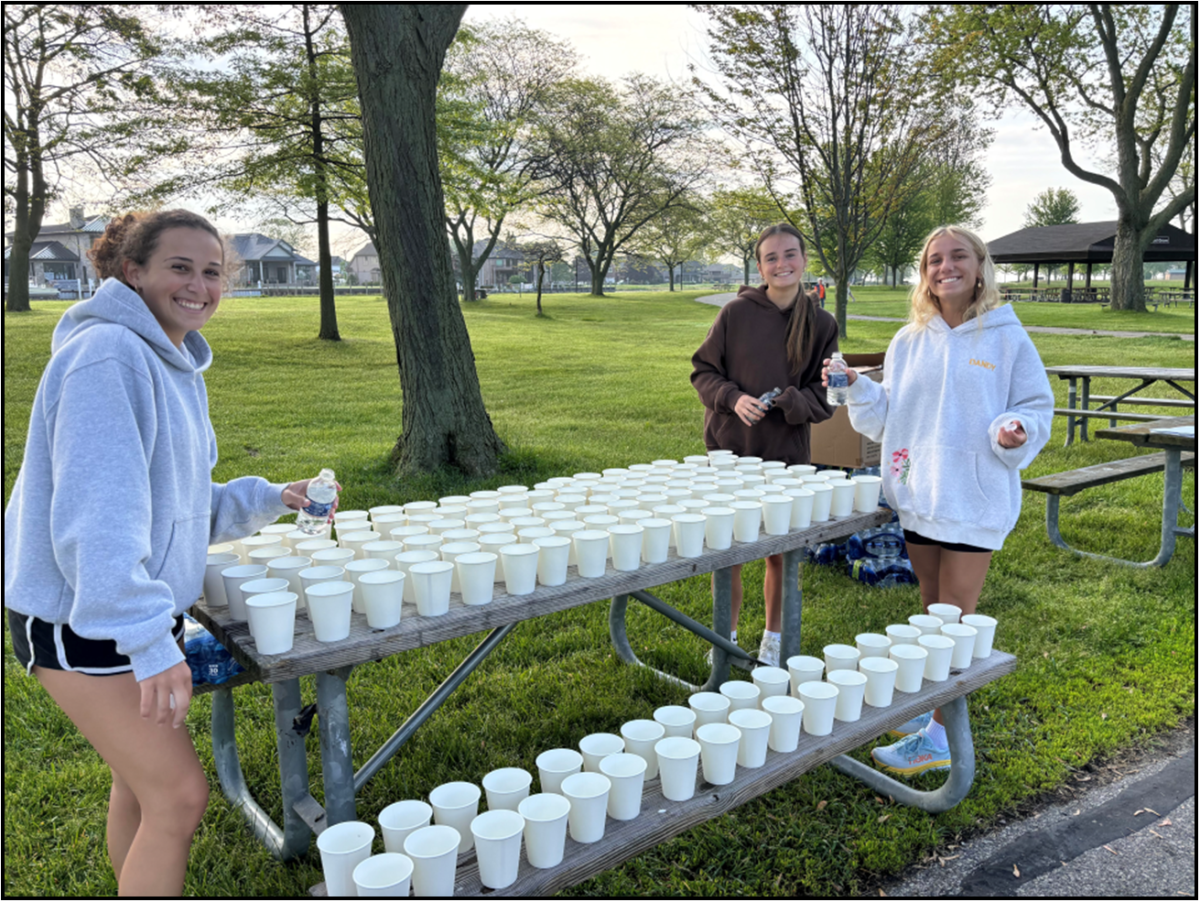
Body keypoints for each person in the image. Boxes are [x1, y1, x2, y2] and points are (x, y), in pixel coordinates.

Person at [4, 210, 329, 895]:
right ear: (133, 271)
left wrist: (275, 495)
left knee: (142, 784)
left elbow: (179, 505)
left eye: (212, 271)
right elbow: (98, 522)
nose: (199, 285)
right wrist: (151, 643)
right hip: (80, 619)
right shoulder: (107, 358)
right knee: (179, 796)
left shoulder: (169, 361)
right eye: (179, 267)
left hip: (115, 610)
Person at [823, 225, 1053, 776]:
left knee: (956, 619)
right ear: (924, 273)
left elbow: (1035, 405)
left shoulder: (1005, 337)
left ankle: (943, 738)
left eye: (957, 258)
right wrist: (856, 384)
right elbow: (889, 413)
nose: (944, 267)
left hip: (973, 498)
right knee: (931, 614)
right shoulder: (909, 340)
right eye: (933, 260)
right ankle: (933, 710)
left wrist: (1014, 429)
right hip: (919, 490)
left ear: (979, 269)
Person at [692, 223, 839, 667]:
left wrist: (792, 401)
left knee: (780, 555)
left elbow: (828, 394)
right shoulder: (735, 313)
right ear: (760, 266)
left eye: (790, 254)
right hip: (729, 452)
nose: (782, 264)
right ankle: (726, 639)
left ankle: (774, 642)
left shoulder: (821, 323)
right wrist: (733, 399)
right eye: (772, 257)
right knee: (730, 551)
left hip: (787, 458)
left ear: (804, 260)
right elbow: (703, 373)